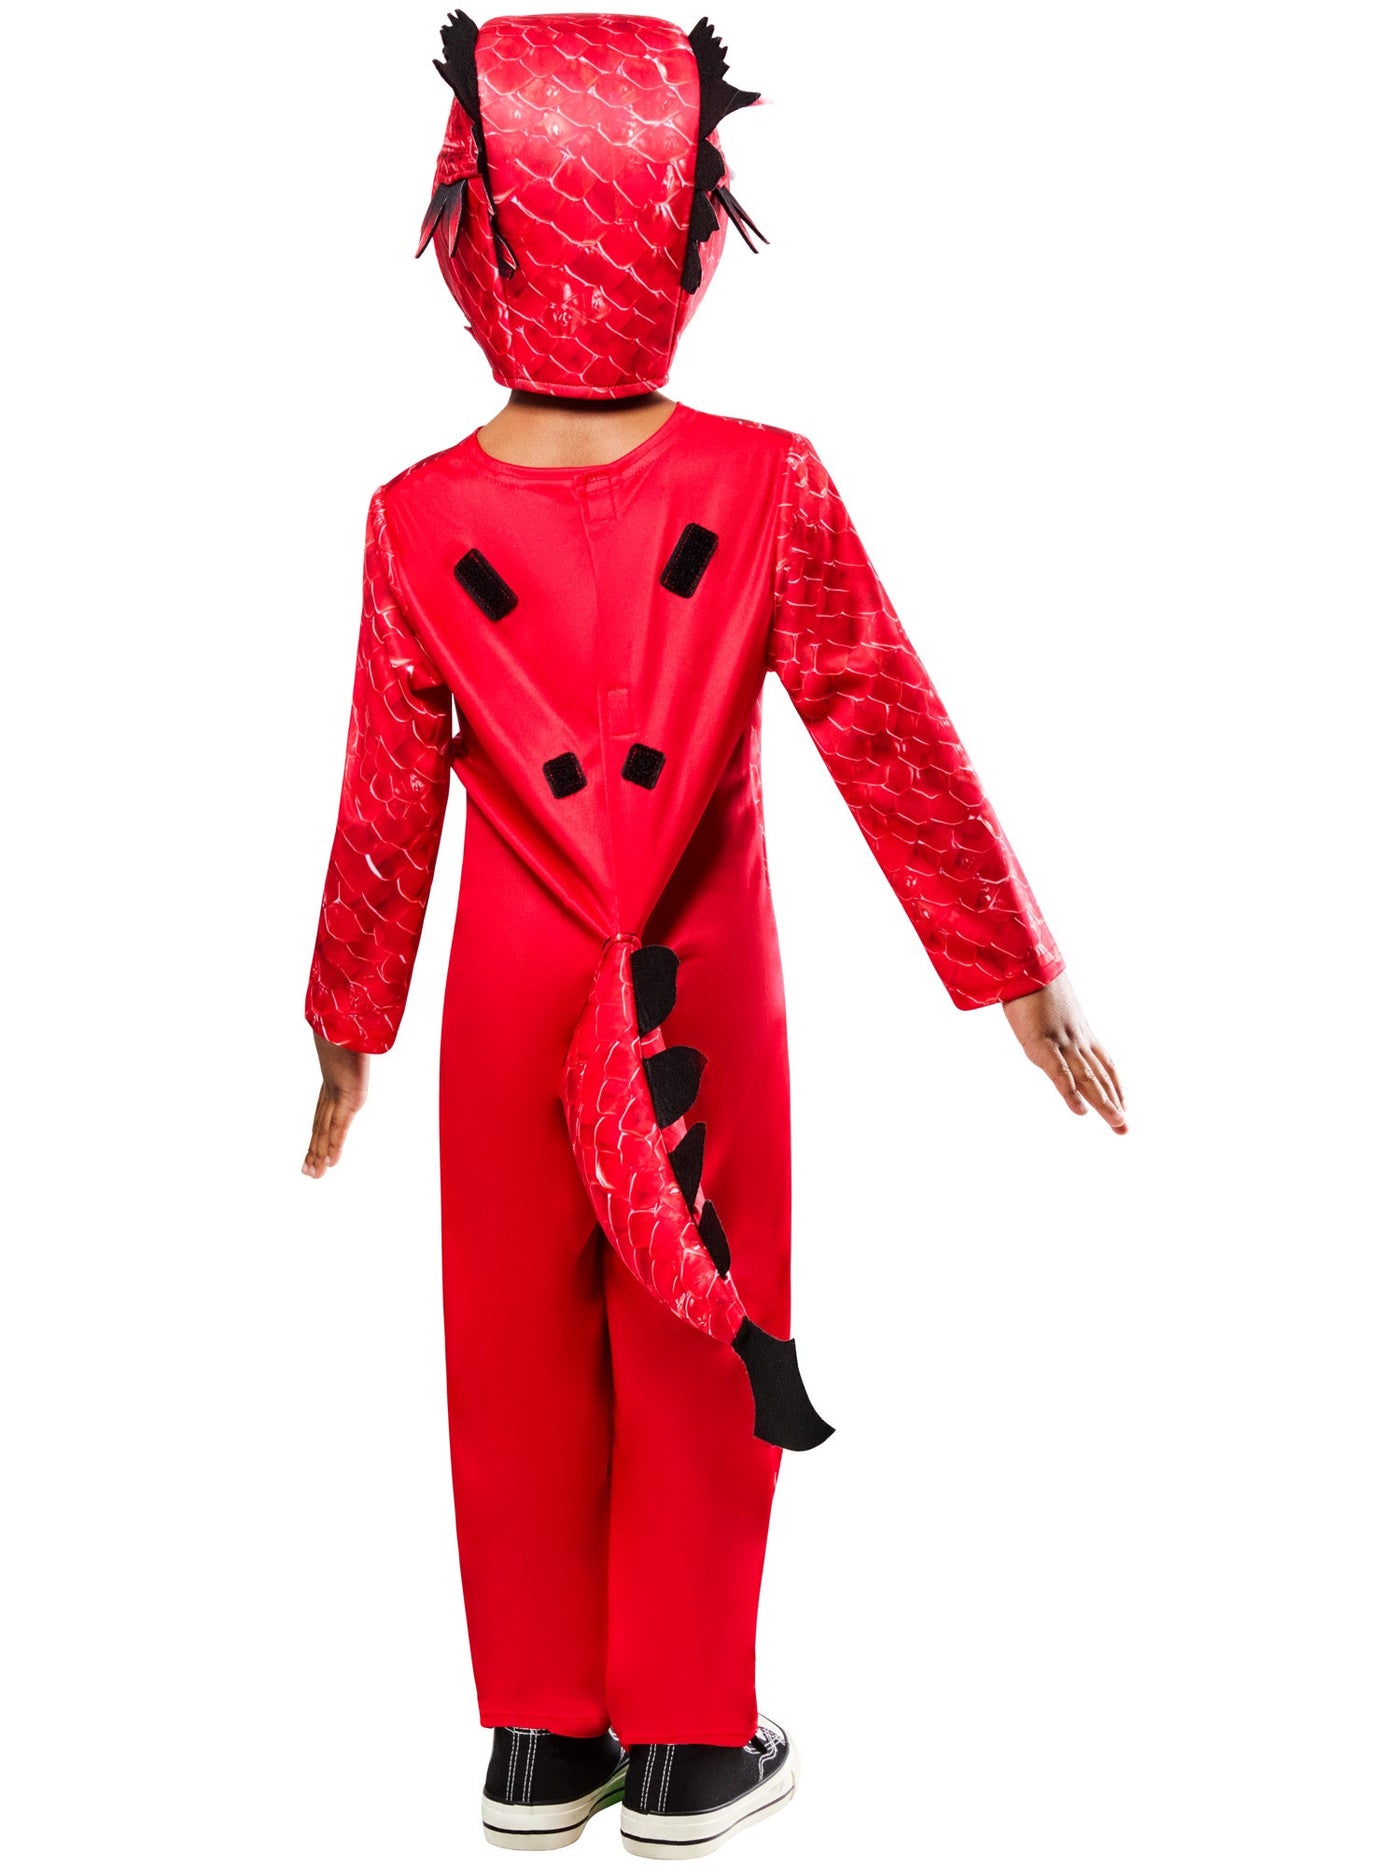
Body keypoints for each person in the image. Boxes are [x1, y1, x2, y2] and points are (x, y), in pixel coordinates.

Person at [302, 13, 1127, 1857]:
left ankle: (538, 1739)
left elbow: (384, 798)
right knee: (704, 1322)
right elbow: (882, 724)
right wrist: (1018, 968)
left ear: (475, 228)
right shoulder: (765, 483)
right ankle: (685, 1739)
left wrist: (348, 1020)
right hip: (693, 975)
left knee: (509, 1342)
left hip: (507, 987)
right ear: (681, 228)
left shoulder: (418, 519)